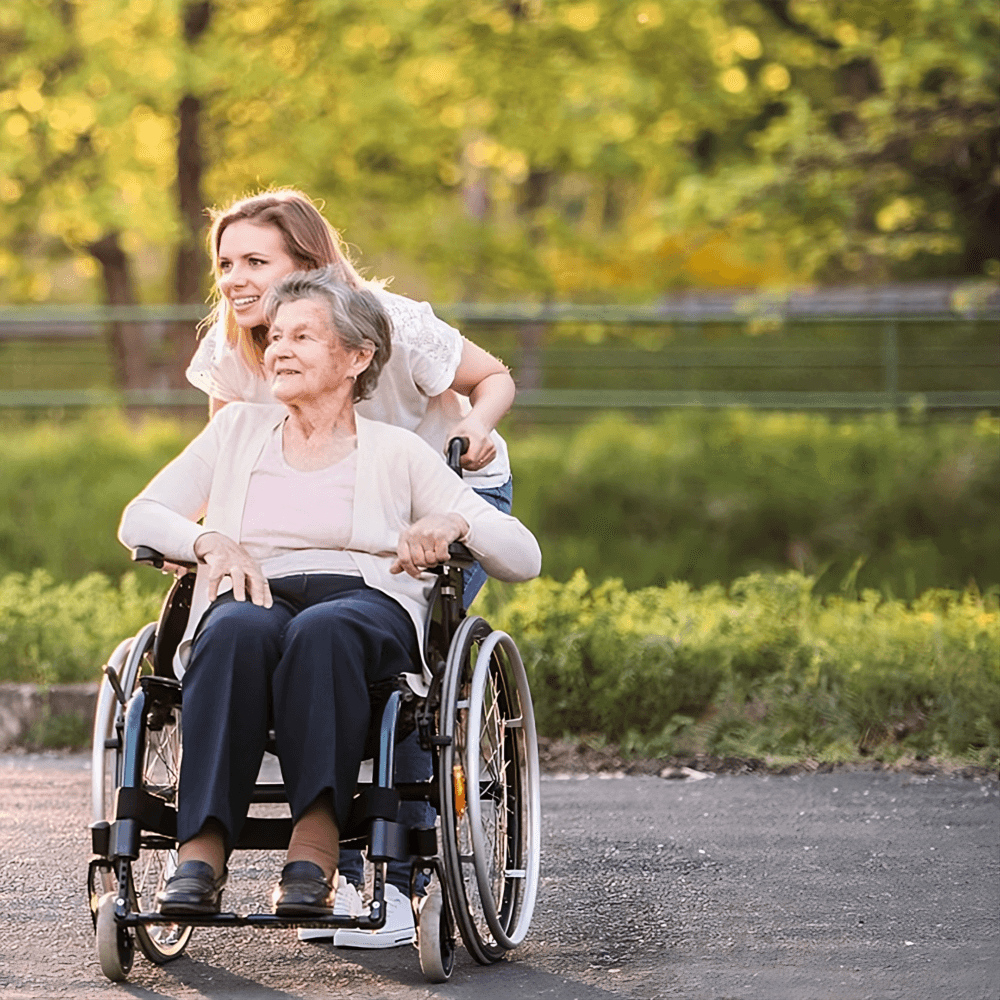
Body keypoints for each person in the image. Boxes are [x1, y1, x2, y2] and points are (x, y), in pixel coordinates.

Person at [118, 270, 540, 927]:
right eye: (275, 336)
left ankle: (313, 848)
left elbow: (523, 557)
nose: (278, 349)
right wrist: (209, 544)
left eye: (303, 336)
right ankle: (200, 850)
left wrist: (457, 523)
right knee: (232, 632)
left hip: (364, 604)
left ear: (356, 357)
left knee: (326, 631)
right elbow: (140, 518)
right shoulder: (236, 434)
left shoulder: (398, 452)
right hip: (256, 590)